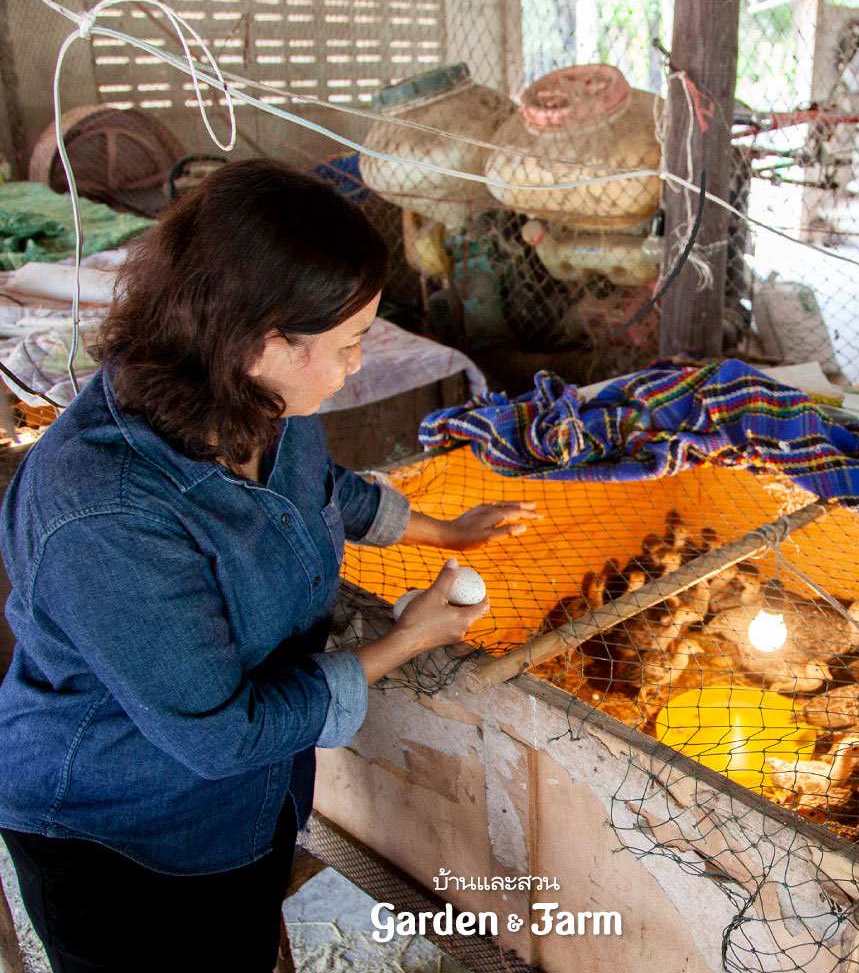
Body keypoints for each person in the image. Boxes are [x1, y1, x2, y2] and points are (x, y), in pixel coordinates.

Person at [0, 159, 537, 973]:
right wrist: (406, 640)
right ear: (261, 341)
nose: (360, 362)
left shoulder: (253, 401)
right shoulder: (107, 516)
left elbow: (312, 486)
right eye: (350, 343)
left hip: (242, 806)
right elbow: (219, 737)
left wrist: (443, 531)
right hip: (127, 833)